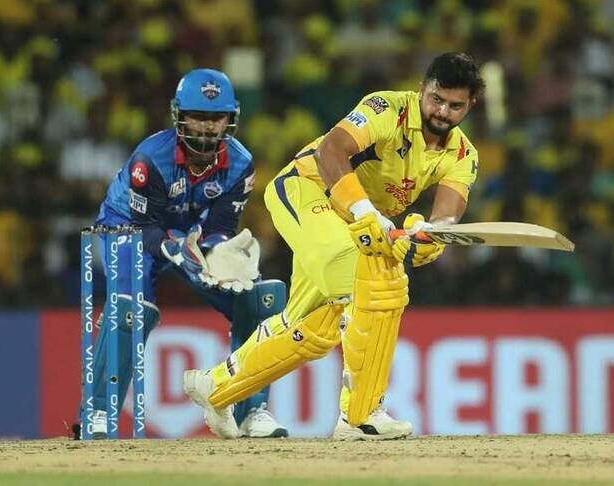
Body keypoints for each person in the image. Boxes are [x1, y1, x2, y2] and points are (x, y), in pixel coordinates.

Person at [183, 53, 485, 440]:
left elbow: (446, 217)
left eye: (455, 105)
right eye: (436, 99)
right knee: (378, 283)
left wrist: (428, 236)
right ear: (421, 89)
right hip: (308, 190)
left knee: (313, 329)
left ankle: (216, 387)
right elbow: (331, 151)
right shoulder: (387, 108)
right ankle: (360, 415)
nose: (442, 112)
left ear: (470, 105)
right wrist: (365, 211)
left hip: (355, 224)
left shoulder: (463, 154)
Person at [82, 68, 288, 439]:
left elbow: (220, 227)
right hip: (127, 228)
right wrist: (179, 250)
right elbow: (146, 228)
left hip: (190, 232)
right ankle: (98, 413)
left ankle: (251, 410)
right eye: (198, 116)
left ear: (230, 118)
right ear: (179, 116)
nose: (207, 127)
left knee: (259, 300)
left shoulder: (241, 164)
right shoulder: (151, 158)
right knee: (131, 308)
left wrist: (216, 253)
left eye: (216, 117)